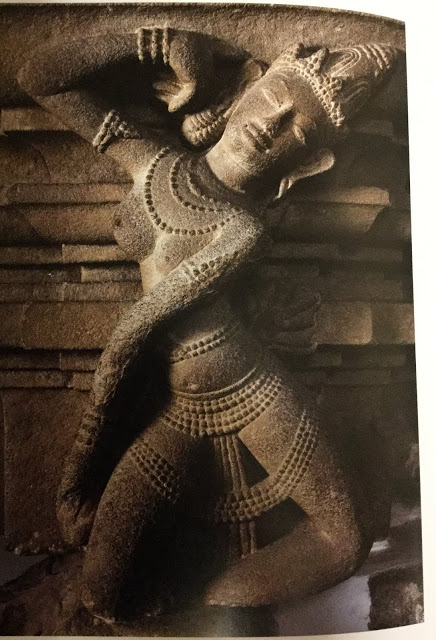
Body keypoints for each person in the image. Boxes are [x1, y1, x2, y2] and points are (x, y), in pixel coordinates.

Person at [18, 30, 398, 622]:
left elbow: (137, 329)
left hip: (251, 391)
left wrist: (82, 470)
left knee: (344, 538)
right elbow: (39, 78)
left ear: (307, 162)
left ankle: (207, 607)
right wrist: (154, 42)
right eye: (272, 101)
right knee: (104, 591)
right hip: (179, 409)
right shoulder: (152, 163)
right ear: (245, 91)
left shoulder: (242, 230)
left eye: (297, 130)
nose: (272, 126)